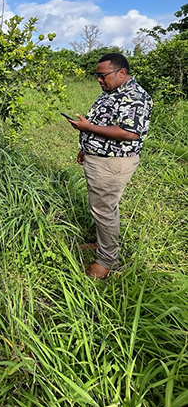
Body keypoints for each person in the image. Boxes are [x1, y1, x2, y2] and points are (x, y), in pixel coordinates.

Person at [64, 53, 152, 278]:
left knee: (104, 211)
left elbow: (130, 133)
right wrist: (86, 146)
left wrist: (87, 129)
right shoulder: (111, 93)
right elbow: (102, 123)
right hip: (100, 157)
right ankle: (103, 244)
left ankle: (107, 262)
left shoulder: (135, 96)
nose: (99, 80)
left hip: (112, 163)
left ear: (121, 72)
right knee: (102, 208)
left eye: (103, 76)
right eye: (97, 76)